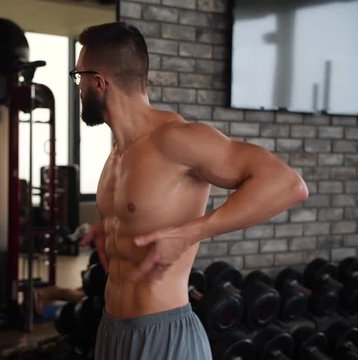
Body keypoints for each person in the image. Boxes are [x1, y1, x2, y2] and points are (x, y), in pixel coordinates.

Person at [74, 23, 309, 359]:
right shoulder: (117, 153)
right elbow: (139, 214)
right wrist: (108, 226)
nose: (78, 87)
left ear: (98, 82)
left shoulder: (176, 139)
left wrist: (190, 233)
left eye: (78, 77)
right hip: (112, 330)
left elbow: (288, 185)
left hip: (164, 333)